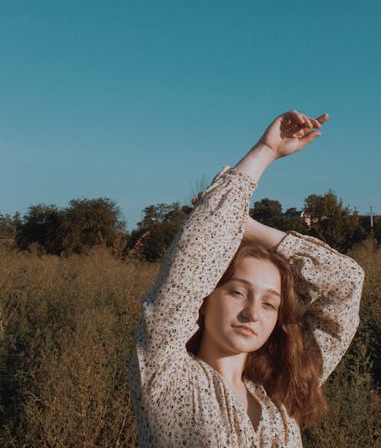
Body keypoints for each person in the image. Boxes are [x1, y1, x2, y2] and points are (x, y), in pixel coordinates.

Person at [129, 110, 365, 447]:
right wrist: (265, 151)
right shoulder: (166, 377)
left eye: (270, 303)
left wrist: (248, 227)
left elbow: (345, 283)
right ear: (205, 295)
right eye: (238, 293)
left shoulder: (280, 395)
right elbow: (189, 266)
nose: (253, 313)